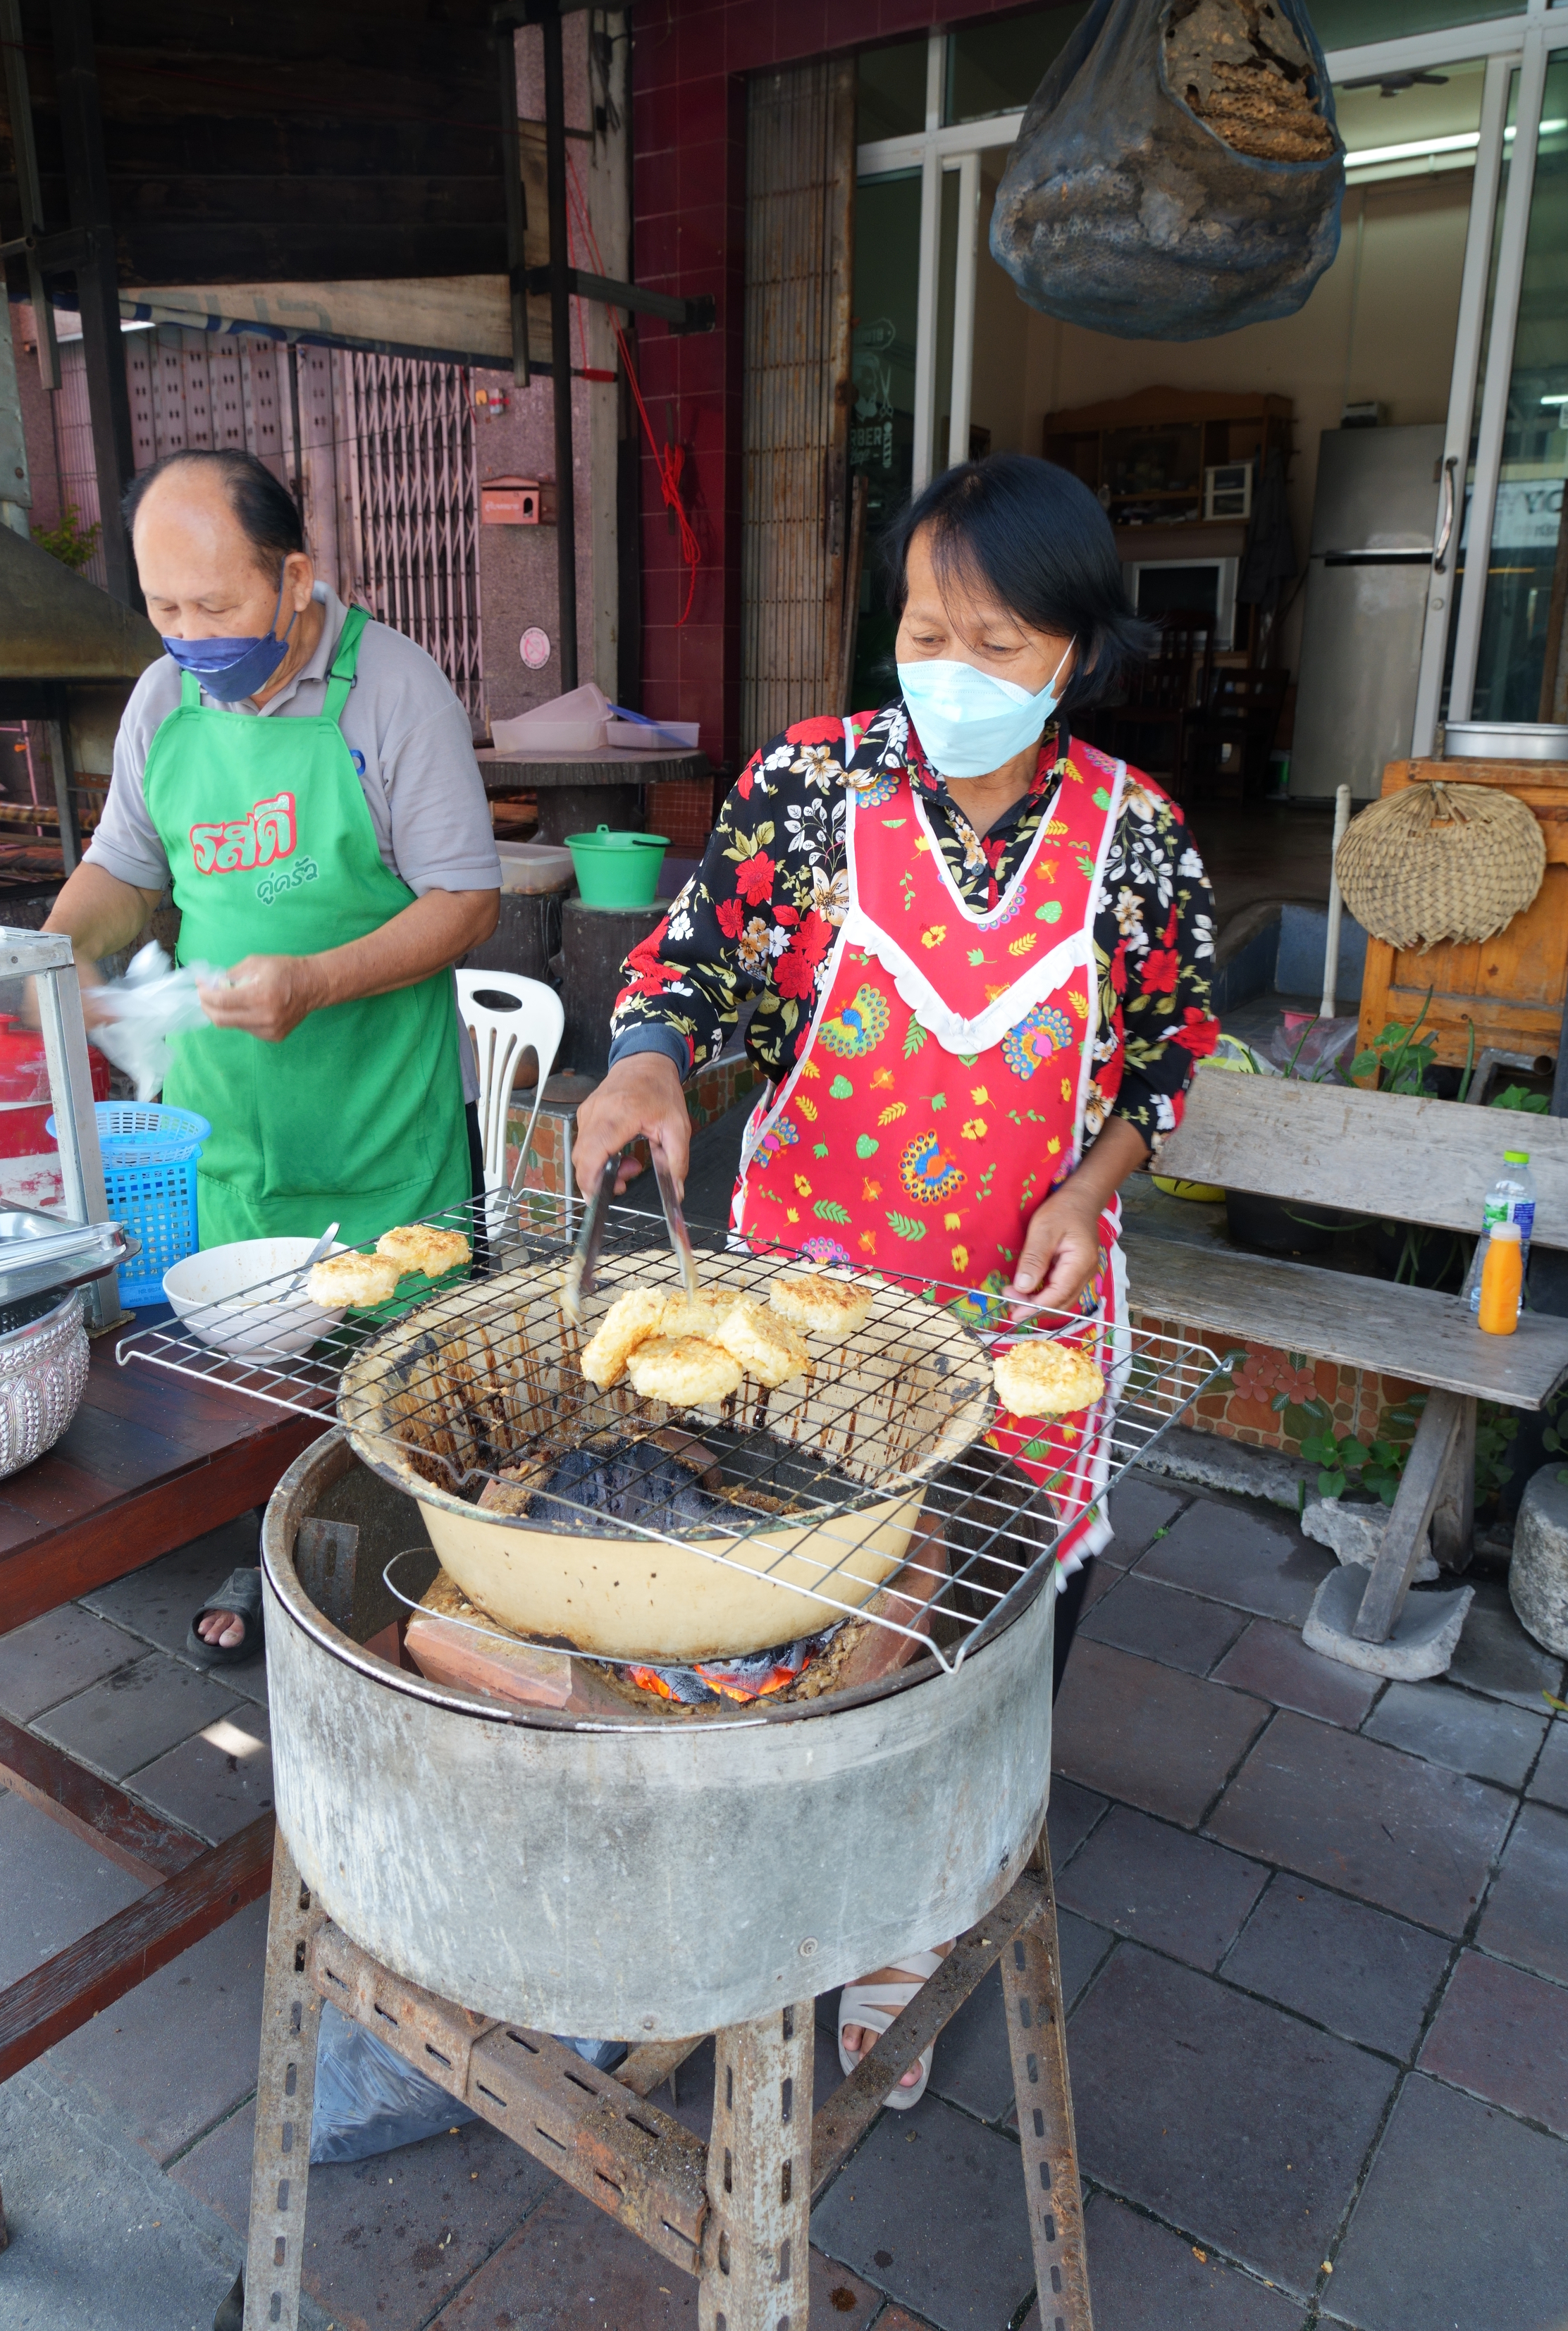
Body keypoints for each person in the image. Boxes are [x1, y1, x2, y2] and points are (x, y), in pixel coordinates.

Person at [574, 452, 1216, 2105]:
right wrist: (650, 1061)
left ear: (1076, 651)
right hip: (809, 1302)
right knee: (799, 1613)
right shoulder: (810, 785)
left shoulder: (1136, 838)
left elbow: (1160, 1066)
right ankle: (768, 1891)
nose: (950, 672)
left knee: (985, 1638)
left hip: (1021, 1321)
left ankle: (917, 1921)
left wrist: (1093, 1177)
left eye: (995, 642)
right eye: (924, 628)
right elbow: (696, 966)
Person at [45, 447, 501, 1661]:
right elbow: (121, 873)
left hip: (374, 1136)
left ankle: (411, 1591)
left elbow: (464, 899)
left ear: (295, 577)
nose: (190, 637)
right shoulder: (163, 702)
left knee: (391, 1391)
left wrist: (316, 981)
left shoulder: (392, 691)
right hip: (227, 1129)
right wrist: (56, 964)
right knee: (251, 1394)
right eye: (163, 610)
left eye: (218, 606)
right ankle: (274, 1568)